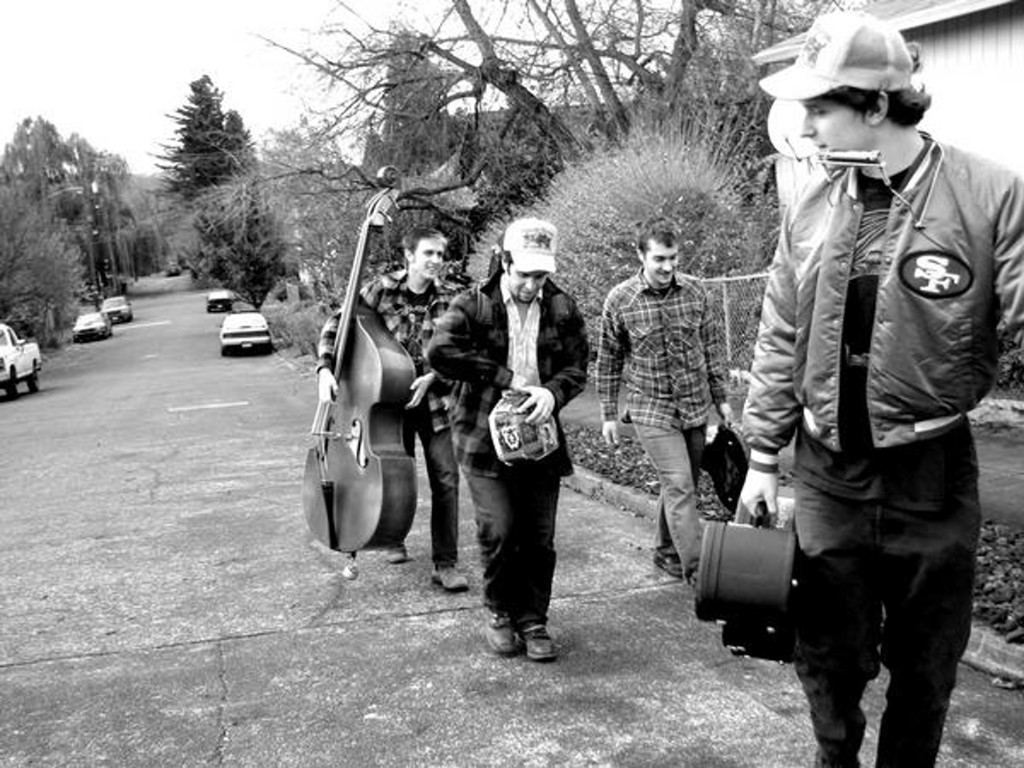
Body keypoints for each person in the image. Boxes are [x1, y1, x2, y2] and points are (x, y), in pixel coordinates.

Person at [738, 11, 1024, 767]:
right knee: (828, 662)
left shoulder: (991, 195)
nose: (803, 125)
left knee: (927, 670)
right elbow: (778, 334)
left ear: (874, 105)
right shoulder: (811, 202)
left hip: (930, 478)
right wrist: (763, 456)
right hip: (829, 473)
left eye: (820, 107)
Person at [426, 217, 589, 662]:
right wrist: (501, 376)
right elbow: (438, 352)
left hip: (539, 436)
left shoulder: (563, 308)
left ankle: (533, 619)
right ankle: (500, 611)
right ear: (504, 262)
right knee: (499, 529)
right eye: (524, 275)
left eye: (541, 276)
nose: (533, 285)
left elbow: (578, 368)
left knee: (539, 537)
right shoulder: (472, 305)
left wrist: (550, 393)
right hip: (481, 434)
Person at [316, 226, 468, 593]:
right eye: (428, 253)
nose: (435, 261)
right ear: (410, 256)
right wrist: (324, 368)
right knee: (391, 476)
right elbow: (339, 323)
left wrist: (434, 376)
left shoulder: (453, 297)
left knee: (446, 480)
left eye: (440, 255)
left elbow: (465, 349)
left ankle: (445, 563)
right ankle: (393, 536)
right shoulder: (381, 288)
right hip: (387, 404)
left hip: (436, 403)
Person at [596, 216, 733, 583]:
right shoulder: (620, 300)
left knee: (681, 481)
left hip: (693, 406)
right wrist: (608, 414)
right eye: (659, 258)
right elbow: (608, 361)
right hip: (649, 408)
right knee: (680, 484)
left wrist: (721, 399)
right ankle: (700, 571)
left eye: (673, 257)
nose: (668, 266)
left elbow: (713, 348)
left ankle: (666, 551)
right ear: (640, 254)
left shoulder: (697, 292)